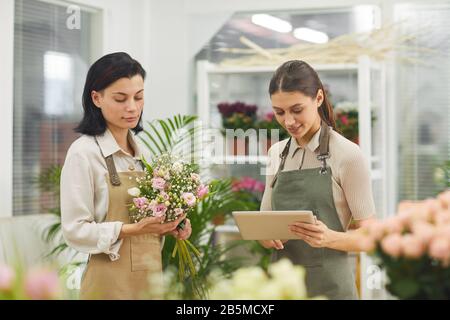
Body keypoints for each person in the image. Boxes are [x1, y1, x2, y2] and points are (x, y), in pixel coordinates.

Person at [60, 52, 191, 299]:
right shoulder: (84, 153)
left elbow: (147, 222)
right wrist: (133, 229)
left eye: (138, 97)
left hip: (150, 279)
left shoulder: (145, 154)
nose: (132, 107)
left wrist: (170, 226)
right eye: (120, 99)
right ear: (96, 98)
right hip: (108, 284)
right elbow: (75, 230)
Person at [259, 60, 376, 300]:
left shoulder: (348, 155)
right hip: (282, 289)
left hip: (331, 289)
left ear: (319, 98)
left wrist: (329, 238)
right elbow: (265, 223)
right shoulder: (275, 154)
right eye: (279, 112)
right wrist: (265, 236)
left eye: (297, 109)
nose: (288, 121)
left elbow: (372, 238)